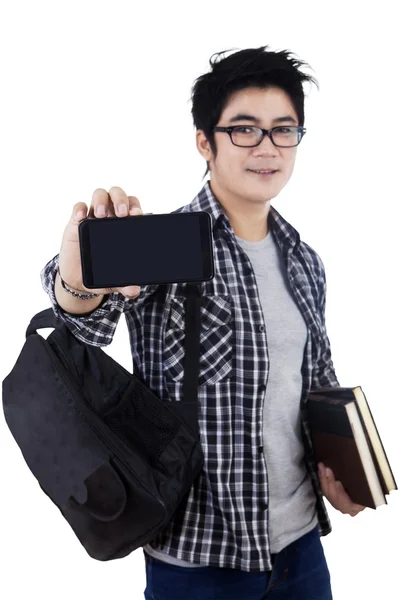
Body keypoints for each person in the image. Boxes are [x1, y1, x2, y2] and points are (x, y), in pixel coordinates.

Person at [41, 45, 366, 599]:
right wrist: (76, 279)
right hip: (197, 560)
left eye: (283, 130)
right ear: (204, 142)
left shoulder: (304, 260)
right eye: (244, 129)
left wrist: (347, 468)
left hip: (301, 549)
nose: (267, 147)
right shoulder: (165, 243)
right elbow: (80, 326)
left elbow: (318, 383)